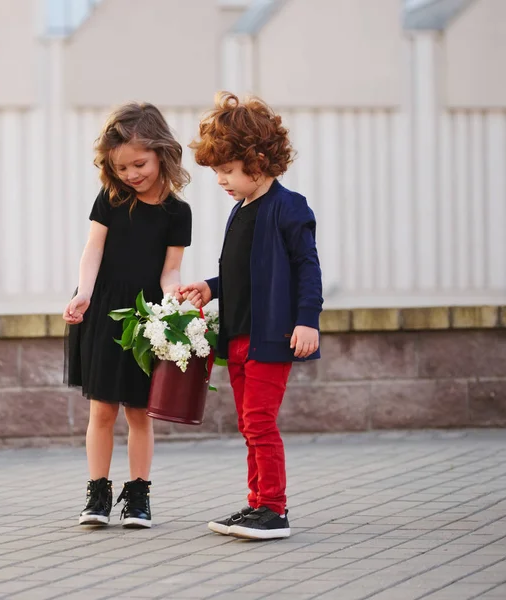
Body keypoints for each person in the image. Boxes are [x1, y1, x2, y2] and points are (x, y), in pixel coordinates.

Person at [181, 92, 323, 540]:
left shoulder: (288, 207)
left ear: (257, 161)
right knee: (249, 424)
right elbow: (243, 274)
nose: (221, 180)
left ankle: (275, 510)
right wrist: (211, 287)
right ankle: (257, 502)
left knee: (260, 422)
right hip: (238, 335)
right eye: (217, 172)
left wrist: (307, 320)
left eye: (227, 170)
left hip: (271, 335)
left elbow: (307, 268)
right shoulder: (239, 210)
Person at [64, 102, 192, 528]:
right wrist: (84, 293)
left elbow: (170, 270)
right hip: (104, 311)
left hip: (145, 320)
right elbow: (93, 249)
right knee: (101, 410)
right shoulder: (111, 199)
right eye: (122, 167)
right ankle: (97, 492)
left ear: (162, 153)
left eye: (140, 163)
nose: (132, 173)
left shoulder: (178, 213)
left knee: (139, 412)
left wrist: (174, 306)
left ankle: (138, 496)